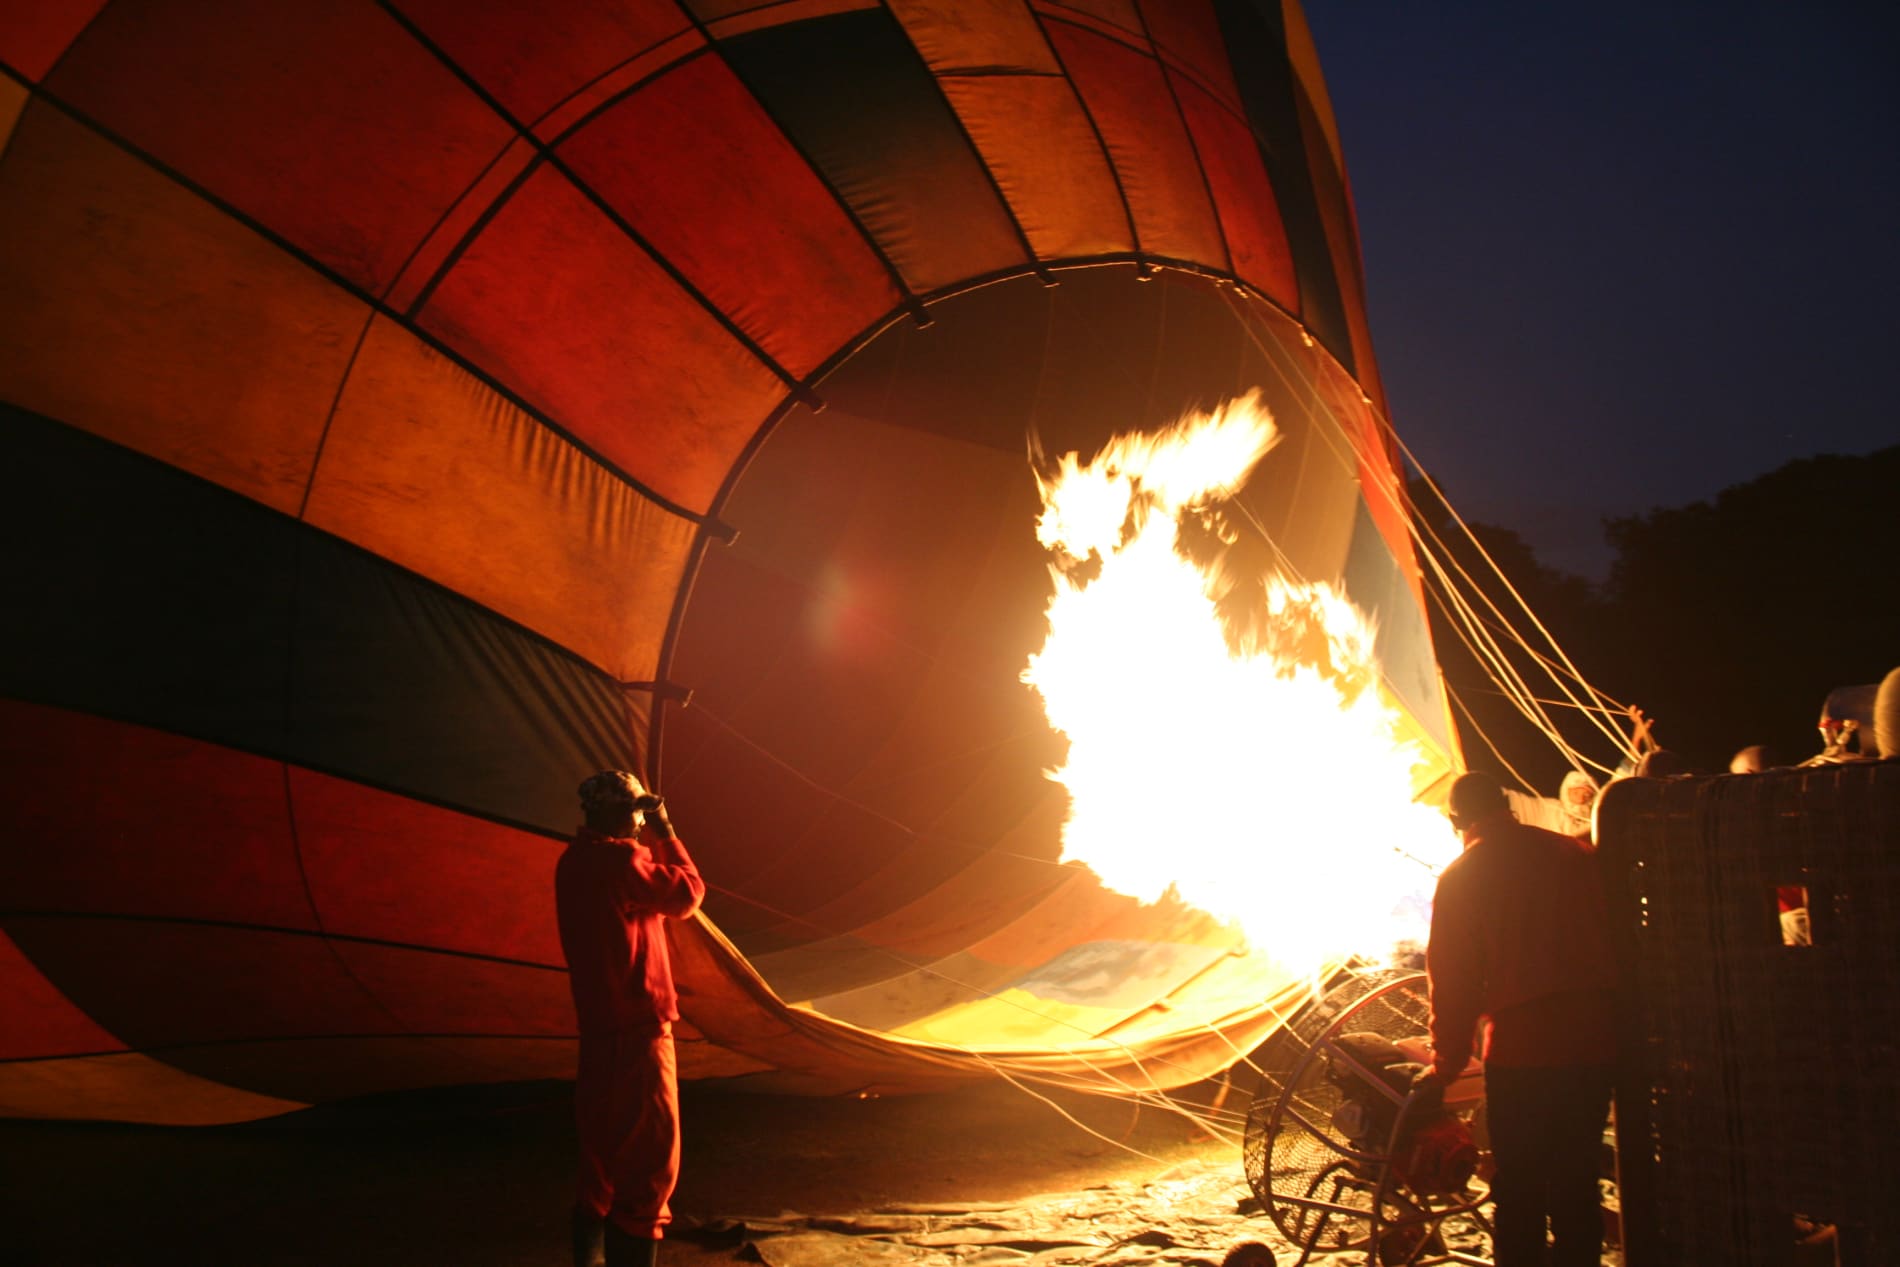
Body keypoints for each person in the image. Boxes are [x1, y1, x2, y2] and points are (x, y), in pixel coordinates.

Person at [1419, 771, 1617, 1267]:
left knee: (1521, 1190)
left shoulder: (1461, 877)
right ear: (1507, 804)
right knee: (1576, 1182)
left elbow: (1454, 981)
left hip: (1523, 1054)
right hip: (1593, 1047)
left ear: (1454, 820)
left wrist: (1444, 1068)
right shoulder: (1573, 854)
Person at [557, 771, 706, 1267]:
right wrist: (668, 830)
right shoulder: (622, 860)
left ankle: (589, 1258)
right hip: (639, 1030)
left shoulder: (572, 861)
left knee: (600, 1154)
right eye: (635, 811)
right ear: (608, 814)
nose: (639, 820)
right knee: (650, 1164)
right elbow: (688, 893)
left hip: (598, 1030)